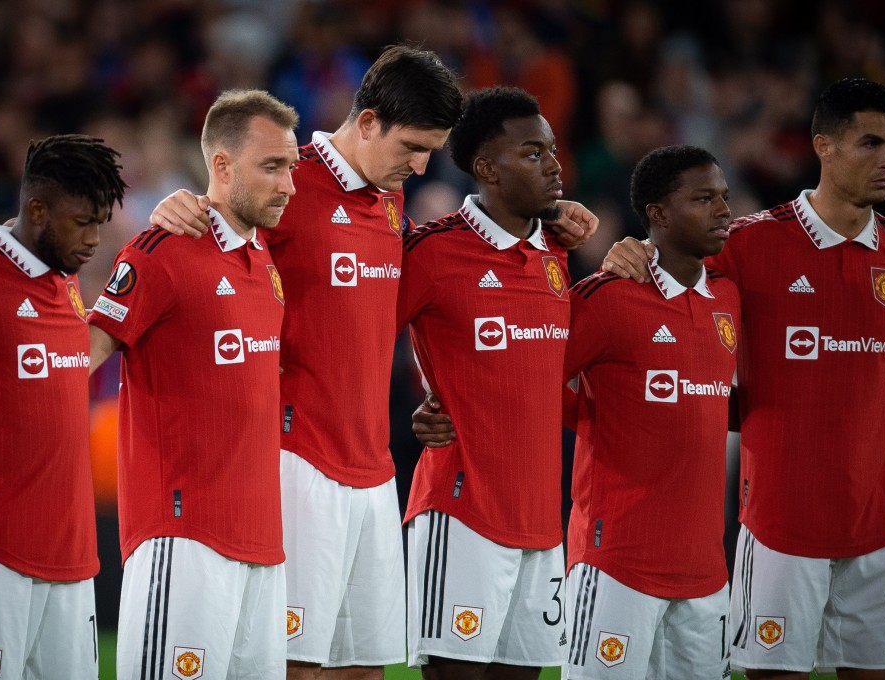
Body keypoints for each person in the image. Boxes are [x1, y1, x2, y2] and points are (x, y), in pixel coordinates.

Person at [148, 45, 597, 680]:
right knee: (297, 662)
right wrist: (180, 208)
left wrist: (548, 212)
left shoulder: (385, 198)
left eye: (429, 153)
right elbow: (217, 229)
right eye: (411, 147)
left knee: (364, 665)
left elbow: (396, 311)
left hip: (372, 468)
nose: (419, 167)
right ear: (366, 124)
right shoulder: (288, 180)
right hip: (297, 455)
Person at [601, 78, 885, 679]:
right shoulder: (748, 243)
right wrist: (628, 252)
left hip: (880, 528)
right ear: (824, 147)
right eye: (869, 142)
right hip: (781, 525)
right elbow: (666, 272)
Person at [86, 90, 298, 680]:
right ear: (222, 166)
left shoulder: (265, 263)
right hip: (183, 538)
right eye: (272, 167)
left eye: (291, 168)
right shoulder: (164, 250)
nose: (288, 185)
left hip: (262, 546)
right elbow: (83, 352)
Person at [0, 134, 126, 680]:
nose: (94, 239)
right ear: (37, 210)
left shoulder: (66, 280)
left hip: (74, 562)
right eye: (83, 221)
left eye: (100, 222)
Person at [397, 87, 571, 679]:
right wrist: (408, 411)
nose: (553, 164)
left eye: (551, 150)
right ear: (486, 168)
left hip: (543, 519)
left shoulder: (557, 254)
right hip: (461, 510)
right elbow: (359, 343)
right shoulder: (433, 251)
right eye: (532, 152)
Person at [562, 145, 738, 679]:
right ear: (658, 215)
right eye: (703, 199)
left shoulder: (730, 299)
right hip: (616, 563)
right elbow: (532, 382)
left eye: (725, 197)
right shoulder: (609, 298)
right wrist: (598, 415)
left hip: (706, 573)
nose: (723, 211)